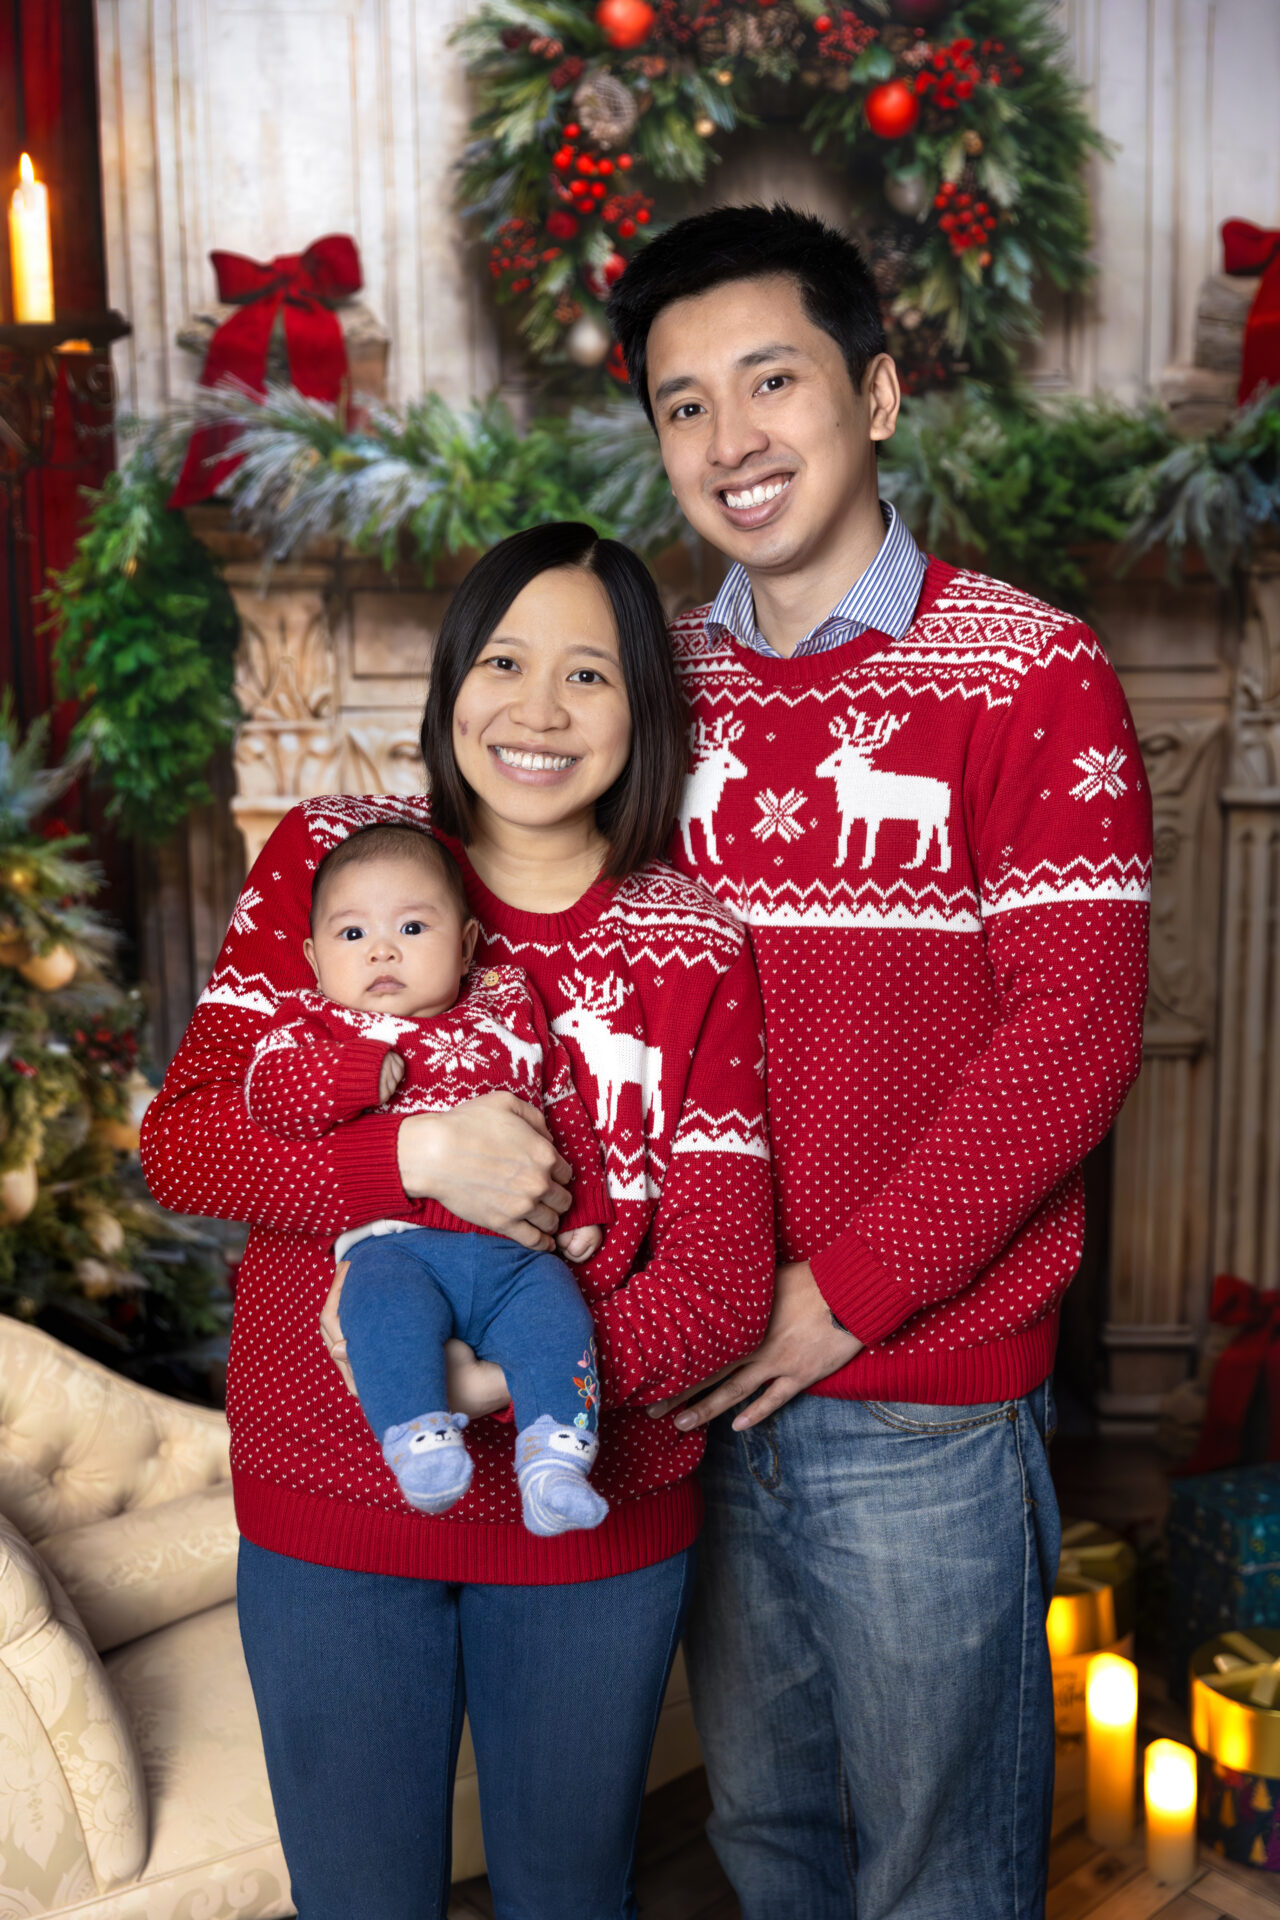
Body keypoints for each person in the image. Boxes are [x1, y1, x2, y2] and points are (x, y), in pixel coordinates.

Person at [605, 203, 1153, 1920]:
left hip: (911, 1397)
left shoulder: (1027, 670)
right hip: (696, 1383)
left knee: (942, 1870)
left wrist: (842, 1292)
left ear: (881, 394)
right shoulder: (648, 692)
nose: (728, 439)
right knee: (767, 1839)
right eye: (683, 404)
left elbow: (1071, 1036)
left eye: (770, 381)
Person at [140, 521, 775, 1920]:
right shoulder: (331, 865)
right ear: (448, 681)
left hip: (593, 1517)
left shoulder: (692, 941)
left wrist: (495, 1379)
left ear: (644, 711)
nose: (537, 710)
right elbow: (185, 1144)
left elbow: (725, 1285)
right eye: (503, 660)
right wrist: (413, 1154)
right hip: (332, 1502)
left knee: (570, 1893)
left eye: (592, 676)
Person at [243, 822, 614, 1533]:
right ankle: (418, 1439)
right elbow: (267, 1093)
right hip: (395, 1247)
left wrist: (583, 1203)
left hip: (517, 1257)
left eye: (412, 926)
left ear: (467, 944)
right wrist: (354, 1073)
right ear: (314, 957)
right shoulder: (315, 1024)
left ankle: (556, 1460)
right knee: (379, 1317)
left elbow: (560, 1100)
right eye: (352, 936)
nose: (383, 949)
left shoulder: (507, 1007)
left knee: (560, 1322)